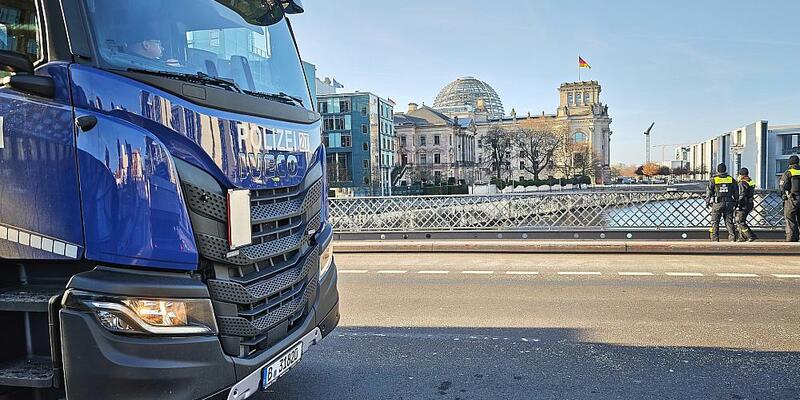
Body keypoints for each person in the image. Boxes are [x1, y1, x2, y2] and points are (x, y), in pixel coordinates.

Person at [706, 163, 738, 242]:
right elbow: (736, 192)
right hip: (729, 202)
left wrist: (707, 201)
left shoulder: (713, 179)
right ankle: (732, 238)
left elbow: (709, 191)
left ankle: (715, 239)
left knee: (715, 221)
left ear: (718, 170)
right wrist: (736, 202)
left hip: (717, 203)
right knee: (729, 221)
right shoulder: (731, 179)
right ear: (725, 169)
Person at [779, 155, 800, 242]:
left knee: (790, 218)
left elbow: (782, 186)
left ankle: (791, 238)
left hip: (792, 199)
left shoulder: (788, 172)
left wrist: (784, 196)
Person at [735, 168, 757, 242]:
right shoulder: (750, 181)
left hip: (743, 204)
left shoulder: (742, 183)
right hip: (750, 203)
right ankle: (741, 237)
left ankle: (750, 235)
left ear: (741, 175)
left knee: (740, 221)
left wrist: (738, 205)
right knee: (741, 220)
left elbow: (742, 195)